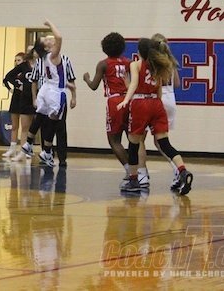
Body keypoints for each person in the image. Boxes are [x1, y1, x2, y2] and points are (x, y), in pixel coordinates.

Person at [117, 38, 193, 195]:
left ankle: (133, 179)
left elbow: (134, 84)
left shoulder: (136, 64)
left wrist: (125, 100)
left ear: (139, 52)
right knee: (164, 143)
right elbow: (158, 89)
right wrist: (156, 105)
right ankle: (182, 171)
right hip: (156, 103)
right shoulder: (158, 65)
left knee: (134, 143)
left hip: (140, 103)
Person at [83, 32, 149, 188]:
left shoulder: (103, 64)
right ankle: (141, 173)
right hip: (130, 99)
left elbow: (94, 86)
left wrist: (86, 78)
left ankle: (130, 172)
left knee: (114, 140)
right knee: (134, 140)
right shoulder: (129, 62)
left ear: (105, 48)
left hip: (115, 102)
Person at [15, 21, 76, 168]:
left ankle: (28, 143)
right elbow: (59, 37)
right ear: (47, 47)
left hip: (46, 89)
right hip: (55, 92)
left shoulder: (43, 58)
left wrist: (71, 88)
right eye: (46, 40)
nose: (50, 39)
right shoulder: (53, 55)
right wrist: (50, 24)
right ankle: (47, 151)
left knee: (41, 117)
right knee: (53, 123)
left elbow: (58, 78)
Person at [151, 33, 181, 190]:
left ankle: (177, 169)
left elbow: (153, 83)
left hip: (159, 99)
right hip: (171, 99)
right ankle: (177, 169)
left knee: (156, 141)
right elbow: (177, 83)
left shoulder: (154, 62)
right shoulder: (171, 61)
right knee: (161, 141)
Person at [2, 51, 35, 159]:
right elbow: (6, 79)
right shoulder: (17, 70)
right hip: (16, 97)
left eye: (19, 60)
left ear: (24, 60)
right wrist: (13, 87)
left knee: (26, 126)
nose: (16, 62)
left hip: (27, 98)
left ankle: (27, 149)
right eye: (15, 60)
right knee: (14, 125)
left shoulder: (28, 69)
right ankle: (12, 148)